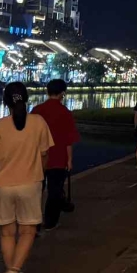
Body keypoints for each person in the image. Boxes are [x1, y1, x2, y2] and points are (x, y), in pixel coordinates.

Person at [0, 82, 54, 273]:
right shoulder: (38, 123)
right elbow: (45, 155)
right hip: (30, 184)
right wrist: (40, 172)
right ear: (27, 99)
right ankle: (14, 272)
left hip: (2, 186)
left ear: (6, 102)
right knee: (28, 231)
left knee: (7, 233)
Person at [33, 78, 80, 230]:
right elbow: (68, 140)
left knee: (35, 191)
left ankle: (33, 221)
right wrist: (70, 159)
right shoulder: (65, 112)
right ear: (62, 94)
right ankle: (50, 222)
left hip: (38, 158)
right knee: (54, 191)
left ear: (47, 91)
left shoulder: (37, 110)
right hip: (58, 158)